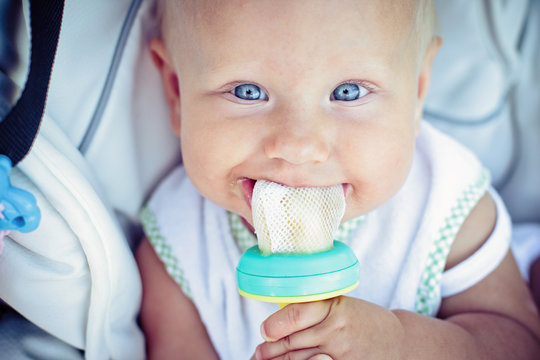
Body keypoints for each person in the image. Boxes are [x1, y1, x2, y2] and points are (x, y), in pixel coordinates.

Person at [135, 0, 540, 359]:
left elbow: (519, 342)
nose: (298, 145)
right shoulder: (177, 249)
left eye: (347, 92)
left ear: (417, 92)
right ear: (176, 93)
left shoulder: (446, 208)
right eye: (247, 91)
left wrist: (401, 345)